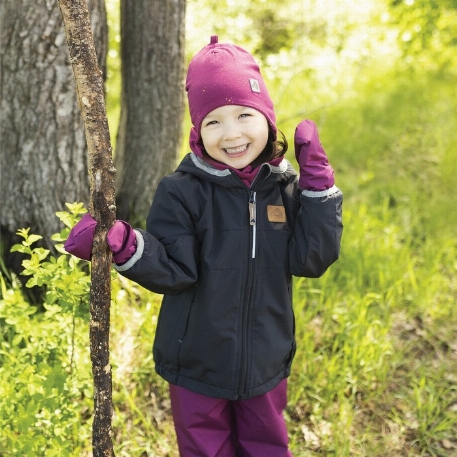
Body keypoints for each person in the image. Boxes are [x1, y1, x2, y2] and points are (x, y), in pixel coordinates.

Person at [65, 36, 343, 457]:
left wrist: (318, 188)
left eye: (244, 115)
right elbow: (175, 271)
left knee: (266, 445)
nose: (231, 134)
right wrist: (122, 244)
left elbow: (312, 259)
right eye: (214, 122)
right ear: (197, 130)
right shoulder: (181, 191)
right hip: (195, 360)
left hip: (265, 358)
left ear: (267, 118)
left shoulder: (285, 189)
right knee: (204, 449)